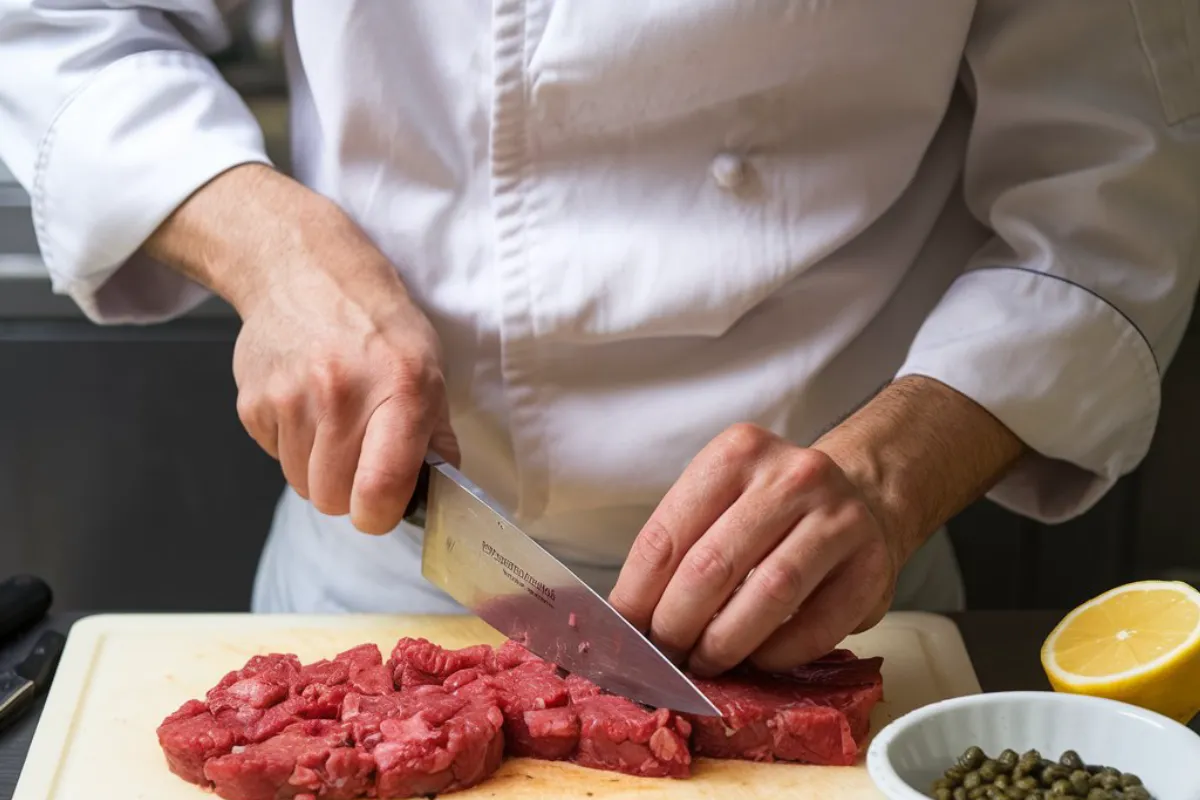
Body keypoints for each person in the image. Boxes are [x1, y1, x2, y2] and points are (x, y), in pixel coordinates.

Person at [1, 1, 1197, 676]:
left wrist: (888, 474)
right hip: (381, 561)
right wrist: (269, 244)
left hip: (823, 599)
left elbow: (1116, 189)